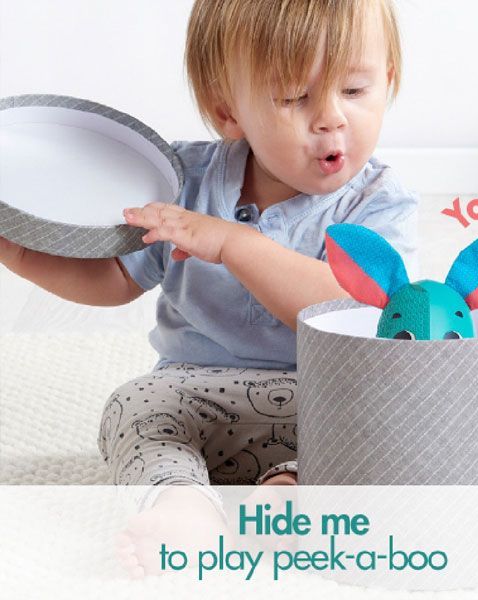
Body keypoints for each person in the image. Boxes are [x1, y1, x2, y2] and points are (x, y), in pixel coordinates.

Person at [0, 0, 418, 577]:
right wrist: (22, 255)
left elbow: (351, 314)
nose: (331, 119)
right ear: (228, 111)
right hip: (197, 397)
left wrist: (234, 245)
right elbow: (117, 278)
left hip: (323, 401)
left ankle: (288, 495)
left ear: (387, 82)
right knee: (132, 407)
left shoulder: (379, 204)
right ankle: (184, 505)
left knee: (408, 414)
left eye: (354, 90)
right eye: (294, 97)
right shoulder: (183, 182)